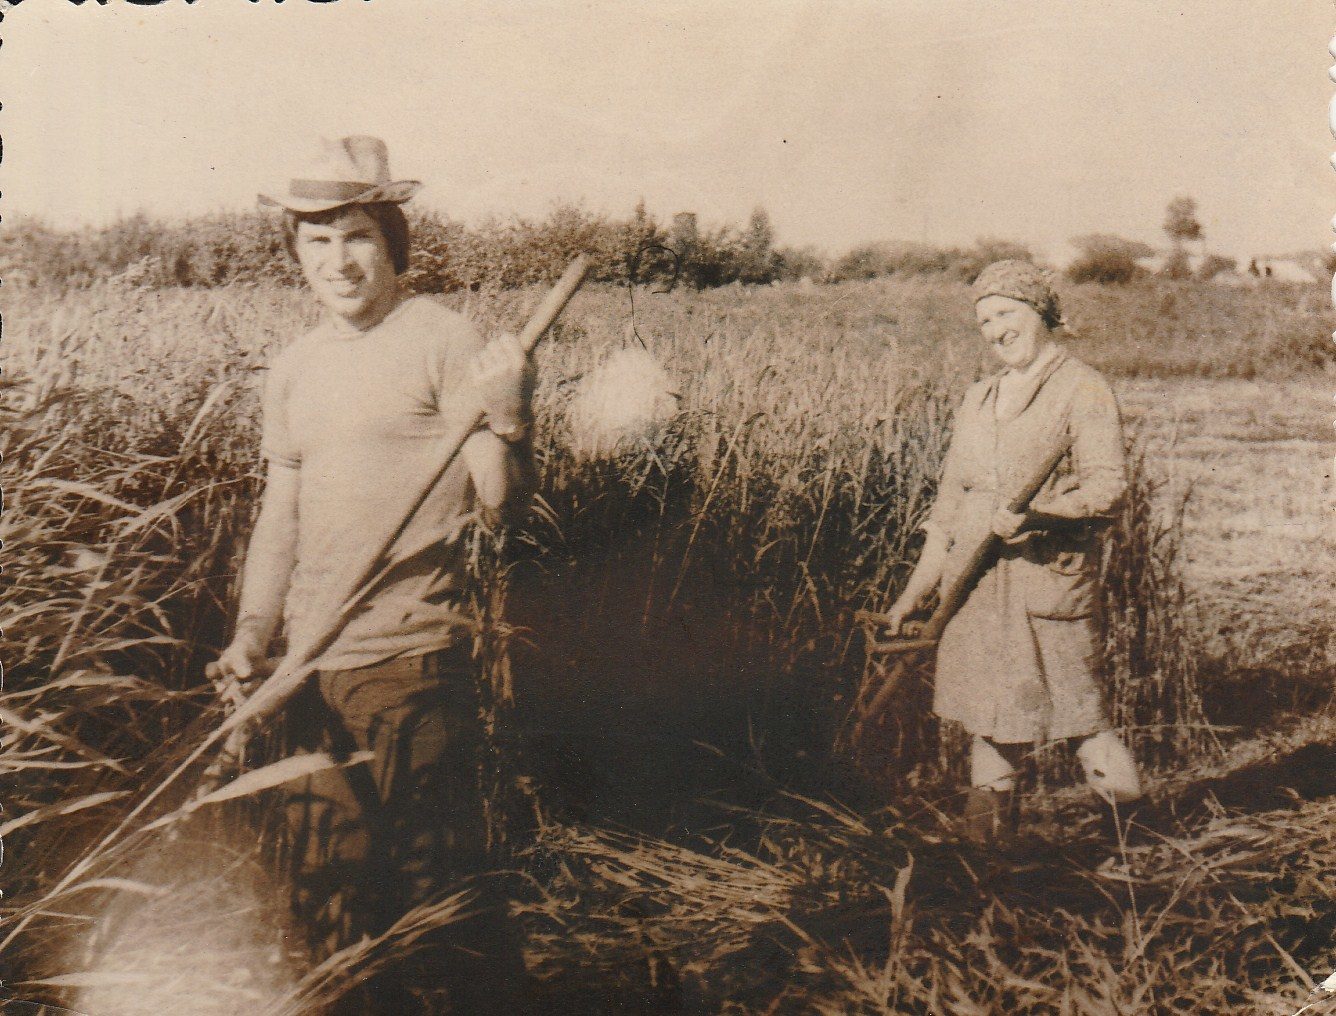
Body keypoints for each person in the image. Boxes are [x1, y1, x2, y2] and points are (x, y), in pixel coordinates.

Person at [210, 136, 535, 1011]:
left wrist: (507, 419)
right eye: (316, 241)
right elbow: (279, 520)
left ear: (391, 241)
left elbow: (498, 506)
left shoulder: (442, 339)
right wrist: (251, 637)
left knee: (432, 894)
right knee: (328, 891)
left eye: (354, 236)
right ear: (295, 253)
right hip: (307, 666)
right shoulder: (296, 368)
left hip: (409, 658)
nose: (337, 260)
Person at [882, 259, 1141, 845]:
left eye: (1006, 313)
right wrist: (912, 596)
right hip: (973, 591)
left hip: (1045, 586)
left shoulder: (1084, 388)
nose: (996, 330)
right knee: (991, 727)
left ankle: (1128, 854)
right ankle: (990, 871)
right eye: (984, 321)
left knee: (1083, 724)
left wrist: (1041, 517)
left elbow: (1110, 489)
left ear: (1041, 313)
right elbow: (947, 513)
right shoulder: (978, 398)